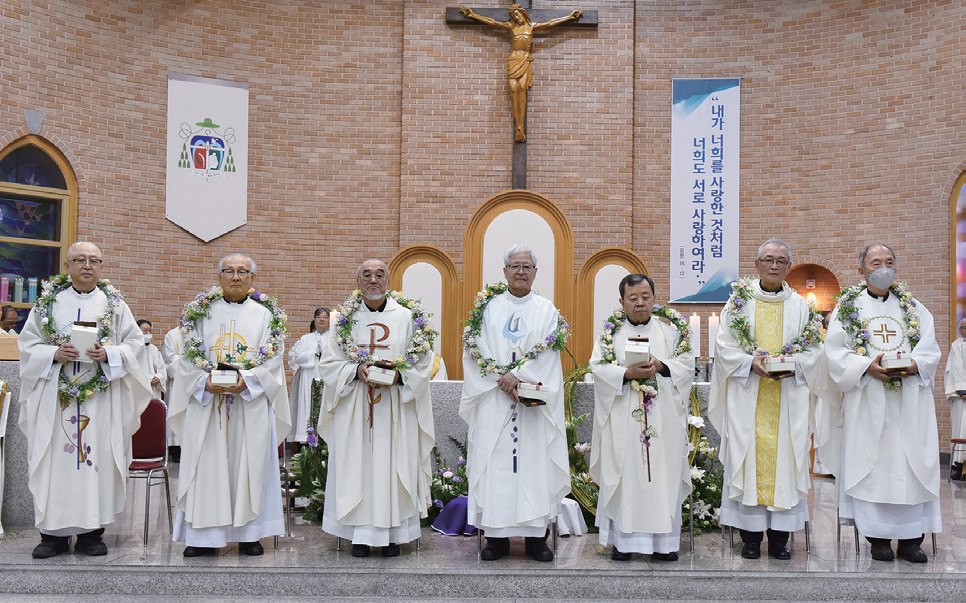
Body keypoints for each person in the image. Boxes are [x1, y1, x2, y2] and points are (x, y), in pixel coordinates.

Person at [17, 241, 151, 558]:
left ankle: (92, 533)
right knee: (54, 459)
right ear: (68, 265)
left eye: (94, 260)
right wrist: (53, 353)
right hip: (56, 398)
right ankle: (52, 536)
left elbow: (135, 344)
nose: (87, 265)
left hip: (100, 398)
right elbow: (27, 345)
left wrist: (109, 353)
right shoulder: (47, 303)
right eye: (79, 259)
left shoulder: (115, 305)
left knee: (97, 459)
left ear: (101, 266)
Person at [822, 243, 941, 562]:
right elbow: (834, 352)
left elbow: (930, 349)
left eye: (889, 262)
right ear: (862, 270)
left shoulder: (913, 307)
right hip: (869, 399)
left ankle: (913, 540)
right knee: (873, 463)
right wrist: (866, 367)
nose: (884, 267)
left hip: (909, 401)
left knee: (911, 463)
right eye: (876, 263)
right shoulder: (849, 307)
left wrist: (915, 365)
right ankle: (878, 539)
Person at [170, 253, 291, 557]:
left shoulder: (266, 316)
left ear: (253, 279)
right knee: (206, 465)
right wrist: (203, 381)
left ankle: (250, 535)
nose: (236, 277)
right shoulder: (199, 314)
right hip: (207, 404)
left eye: (242, 271)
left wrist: (248, 379)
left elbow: (274, 358)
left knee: (249, 466)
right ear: (219, 276)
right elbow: (184, 357)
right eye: (229, 271)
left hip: (249, 404)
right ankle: (203, 538)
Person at [709, 239, 822, 560]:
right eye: (769, 259)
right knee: (748, 462)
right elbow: (725, 346)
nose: (774, 265)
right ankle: (750, 539)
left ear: (789, 267)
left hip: (788, 400)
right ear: (757, 264)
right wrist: (749, 363)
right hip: (749, 397)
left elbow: (815, 351)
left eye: (781, 261)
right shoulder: (737, 304)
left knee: (787, 463)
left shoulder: (801, 306)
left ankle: (780, 540)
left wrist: (794, 365)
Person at [317, 259, 436, 558]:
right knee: (357, 465)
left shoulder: (407, 318)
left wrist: (399, 376)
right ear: (357, 281)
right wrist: (356, 370)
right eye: (367, 275)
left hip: (396, 406)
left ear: (388, 280)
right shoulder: (343, 320)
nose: (373, 280)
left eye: (379, 275)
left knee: (393, 465)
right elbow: (329, 363)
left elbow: (423, 362)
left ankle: (393, 535)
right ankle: (358, 535)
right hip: (356, 404)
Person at [459, 244, 570, 561]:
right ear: (504, 270)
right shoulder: (487, 308)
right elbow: (474, 349)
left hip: (531, 402)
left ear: (535, 272)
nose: (521, 271)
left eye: (527, 266)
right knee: (495, 465)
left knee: (534, 465)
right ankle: (496, 539)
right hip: (495, 400)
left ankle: (537, 540)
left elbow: (549, 355)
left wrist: (518, 376)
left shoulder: (547, 310)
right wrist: (502, 378)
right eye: (515, 266)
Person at [589, 274, 695, 561]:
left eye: (646, 297)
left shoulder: (670, 334)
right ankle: (624, 544)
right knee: (626, 477)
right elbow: (597, 368)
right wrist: (625, 373)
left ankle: (664, 544)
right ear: (622, 301)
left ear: (653, 298)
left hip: (663, 421)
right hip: (624, 418)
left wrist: (662, 366)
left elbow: (686, 367)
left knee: (662, 476)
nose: (640, 303)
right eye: (633, 298)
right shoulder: (609, 335)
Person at [459, 4, 582, 142]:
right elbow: (493, 22)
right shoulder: (512, 28)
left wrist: (569, 17)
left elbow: (550, 23)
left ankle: (520, 126)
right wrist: (473, 15)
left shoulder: (532, 26)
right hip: (514, 59)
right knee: (513, 88)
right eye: (514, 16)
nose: (517, 17)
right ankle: (517, 123)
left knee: (522, 88)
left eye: (517, 14)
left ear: (523, 13)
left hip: (525, 59)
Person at [288, 307, 330, 444]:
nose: (322, 319)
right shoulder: (306, 339)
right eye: (319, 317)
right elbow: (298, 357)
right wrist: (314, 354)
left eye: (325, 317)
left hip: (328, 378)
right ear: (315, 320)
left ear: (330, 320)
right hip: (309, 378)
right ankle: (308, 441)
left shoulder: (336, 338)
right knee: (308, 410)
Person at [945, 318, 966, 480]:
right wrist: (962, 389)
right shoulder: (956, 346)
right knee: (960, 427)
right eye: (962, 327)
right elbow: (954, 368)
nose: (963, 330)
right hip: (961, 397)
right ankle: (958, 466)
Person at [162, 326, 183, 462]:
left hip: (195, 385)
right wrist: (189, 362)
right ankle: (176, 451)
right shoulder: (172, 334)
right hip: (177, 385)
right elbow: (169, 361)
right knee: (177, 412)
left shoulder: (200, 331)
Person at [137, 319, 166, 401]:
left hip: (153, 388)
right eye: (145, 331)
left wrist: (158, 377)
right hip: (139, 388)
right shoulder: (133, 349)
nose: (148, 333)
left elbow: (162, 368)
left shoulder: (154, 349)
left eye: (150, 330)